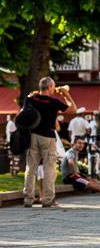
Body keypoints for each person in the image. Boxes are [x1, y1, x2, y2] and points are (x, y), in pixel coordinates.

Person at [23, 77, 76, 208]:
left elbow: (23, 114)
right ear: (50, 86)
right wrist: (66, 94)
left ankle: (28, 199)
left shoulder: (30, 99)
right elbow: (73, 109)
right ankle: (47, 199)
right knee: (49, 168)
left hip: (32, 136)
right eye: (54, 86)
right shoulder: (53, 101)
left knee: (30, 168)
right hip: (47, 137)